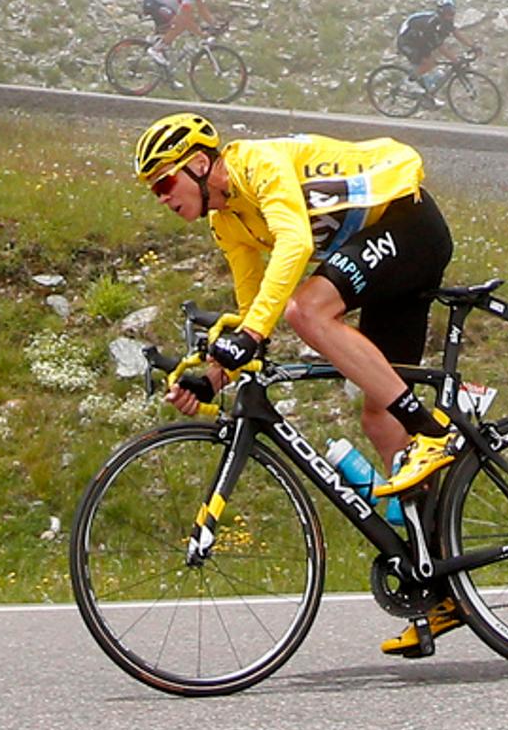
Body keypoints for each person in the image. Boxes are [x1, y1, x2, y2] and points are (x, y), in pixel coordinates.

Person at [134, 111, 466, 658]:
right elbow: (249, 318)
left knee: (307, 312)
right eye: (153, 191)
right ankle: (441, 581)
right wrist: (212, 376)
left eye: (165, 182)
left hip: (408, 225)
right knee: (378, 414)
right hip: (378, 255)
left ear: (198, 164)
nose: (162, 198)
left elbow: (291, 245)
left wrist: (254, 332)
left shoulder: (257, 165)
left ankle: (431, 431)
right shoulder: (227, 222)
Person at [142, 0, 217, 65]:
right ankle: (156, 49)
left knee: (172, 27)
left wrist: (215, 24)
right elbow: (186, 21)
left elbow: (202, 9)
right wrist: (202, 34)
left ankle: (158, 42)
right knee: (179, 25)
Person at [395, 0, 467, 94]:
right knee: (429, 62)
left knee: (433, 64)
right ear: (441, 13)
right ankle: (409, 81)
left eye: (452, 12)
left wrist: (474, 46)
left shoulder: (446, 21)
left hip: (419, 40)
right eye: (448, 13)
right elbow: (440, 47)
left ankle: (427, 95)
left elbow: (456, 33)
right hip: (407, 41)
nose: (451, 16)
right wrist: (455, 60)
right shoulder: (431, 24)